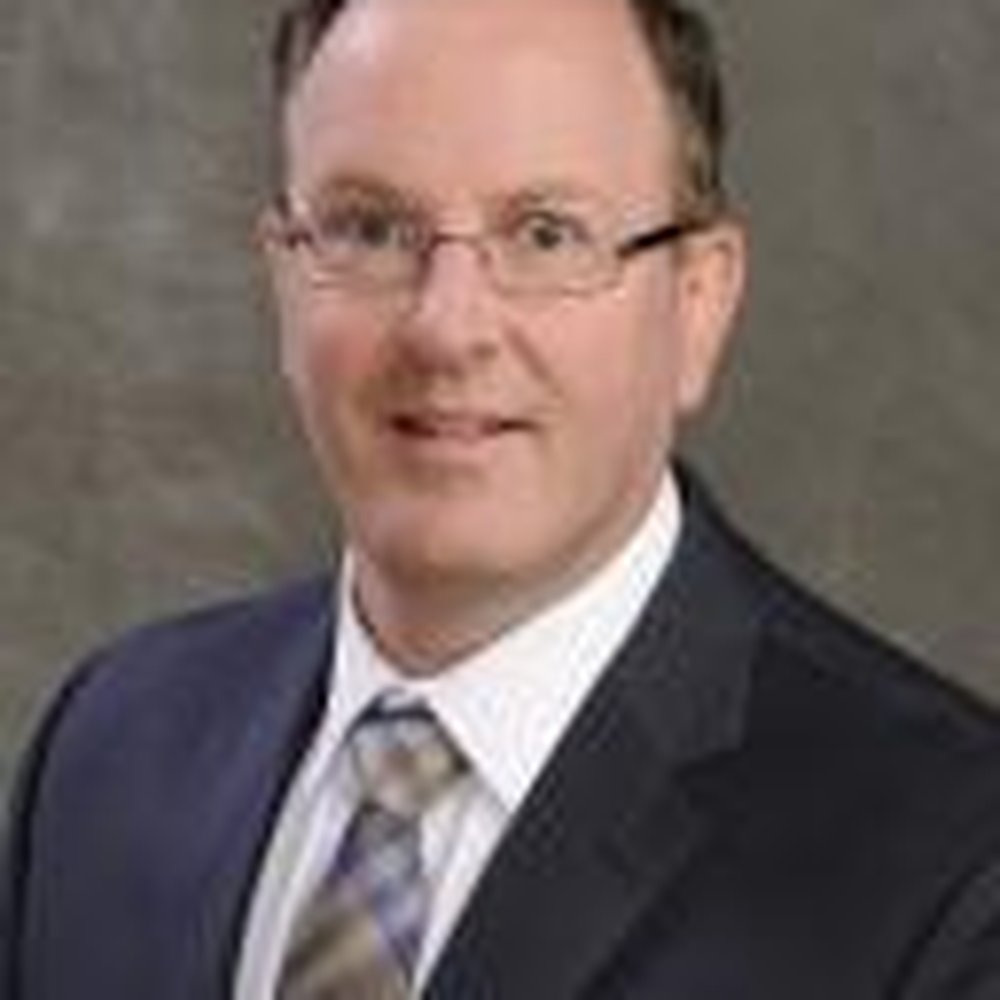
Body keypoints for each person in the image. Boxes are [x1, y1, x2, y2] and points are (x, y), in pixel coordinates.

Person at [3, 0, 1000, 996]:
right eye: (370, 227)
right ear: (285, 278)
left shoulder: (947, 867)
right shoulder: (109, 751)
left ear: (698, 302)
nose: (447, 329)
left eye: (546, 234)